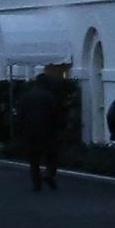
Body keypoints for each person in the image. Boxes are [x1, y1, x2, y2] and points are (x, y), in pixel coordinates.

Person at [19, 61, 77, 190]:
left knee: (34, 159)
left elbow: (21, 115)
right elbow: (57, 114)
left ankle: (36, 183)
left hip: (30, 131)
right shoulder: (50, 97)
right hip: (48, 131)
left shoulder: (26, 97)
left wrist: (22, 130)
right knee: (52, 156)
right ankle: (49, 173)